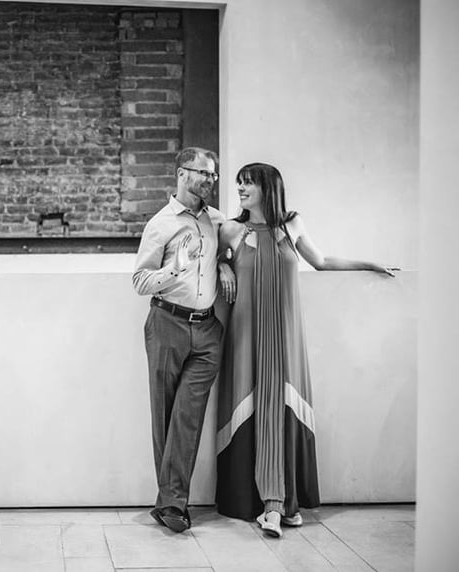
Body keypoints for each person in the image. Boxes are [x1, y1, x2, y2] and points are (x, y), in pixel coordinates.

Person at [214, 162, 398, 538]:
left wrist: (370, 263)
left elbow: (322, 262)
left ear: (269, 188)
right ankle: (271, 505)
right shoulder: (231, 230)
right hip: (246, 336)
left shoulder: (291, 224)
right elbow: (213, 260)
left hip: (285, 337)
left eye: (248, 183)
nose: (241, 189)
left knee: (281, 409)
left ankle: (279, 503)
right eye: (239, 183)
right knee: (253, 408)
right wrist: (223, 267)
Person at [132, 146, 236, 533]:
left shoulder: (216, 220)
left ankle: (171, 504)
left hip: (207, 331)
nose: (210, 180)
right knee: (165, 417)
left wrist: (223, 263)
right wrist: (176, 266)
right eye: (203, 173)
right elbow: (140, 282)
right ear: (181, 173)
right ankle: (173, 504)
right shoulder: (160, 224)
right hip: (166, 324)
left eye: (213, 175)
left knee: (188, 417)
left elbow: (229, 249)